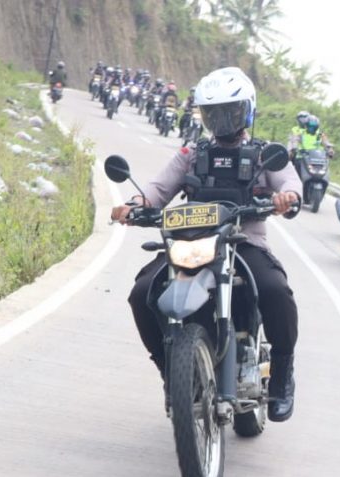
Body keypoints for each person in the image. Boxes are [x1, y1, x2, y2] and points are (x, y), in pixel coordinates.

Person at [110, 67, 303, 423]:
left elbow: (289, 180)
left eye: (230, 112)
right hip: (192, 243)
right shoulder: (191, 153)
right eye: (214, 113)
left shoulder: (264, 154)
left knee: (275, 290)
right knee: (141, 294)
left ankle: (282, 374)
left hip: (243, 243)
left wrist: (287, 196)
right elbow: (157, 189)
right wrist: (134, 205)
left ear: (246, 111)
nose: (222, 120)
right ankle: (171, 371)